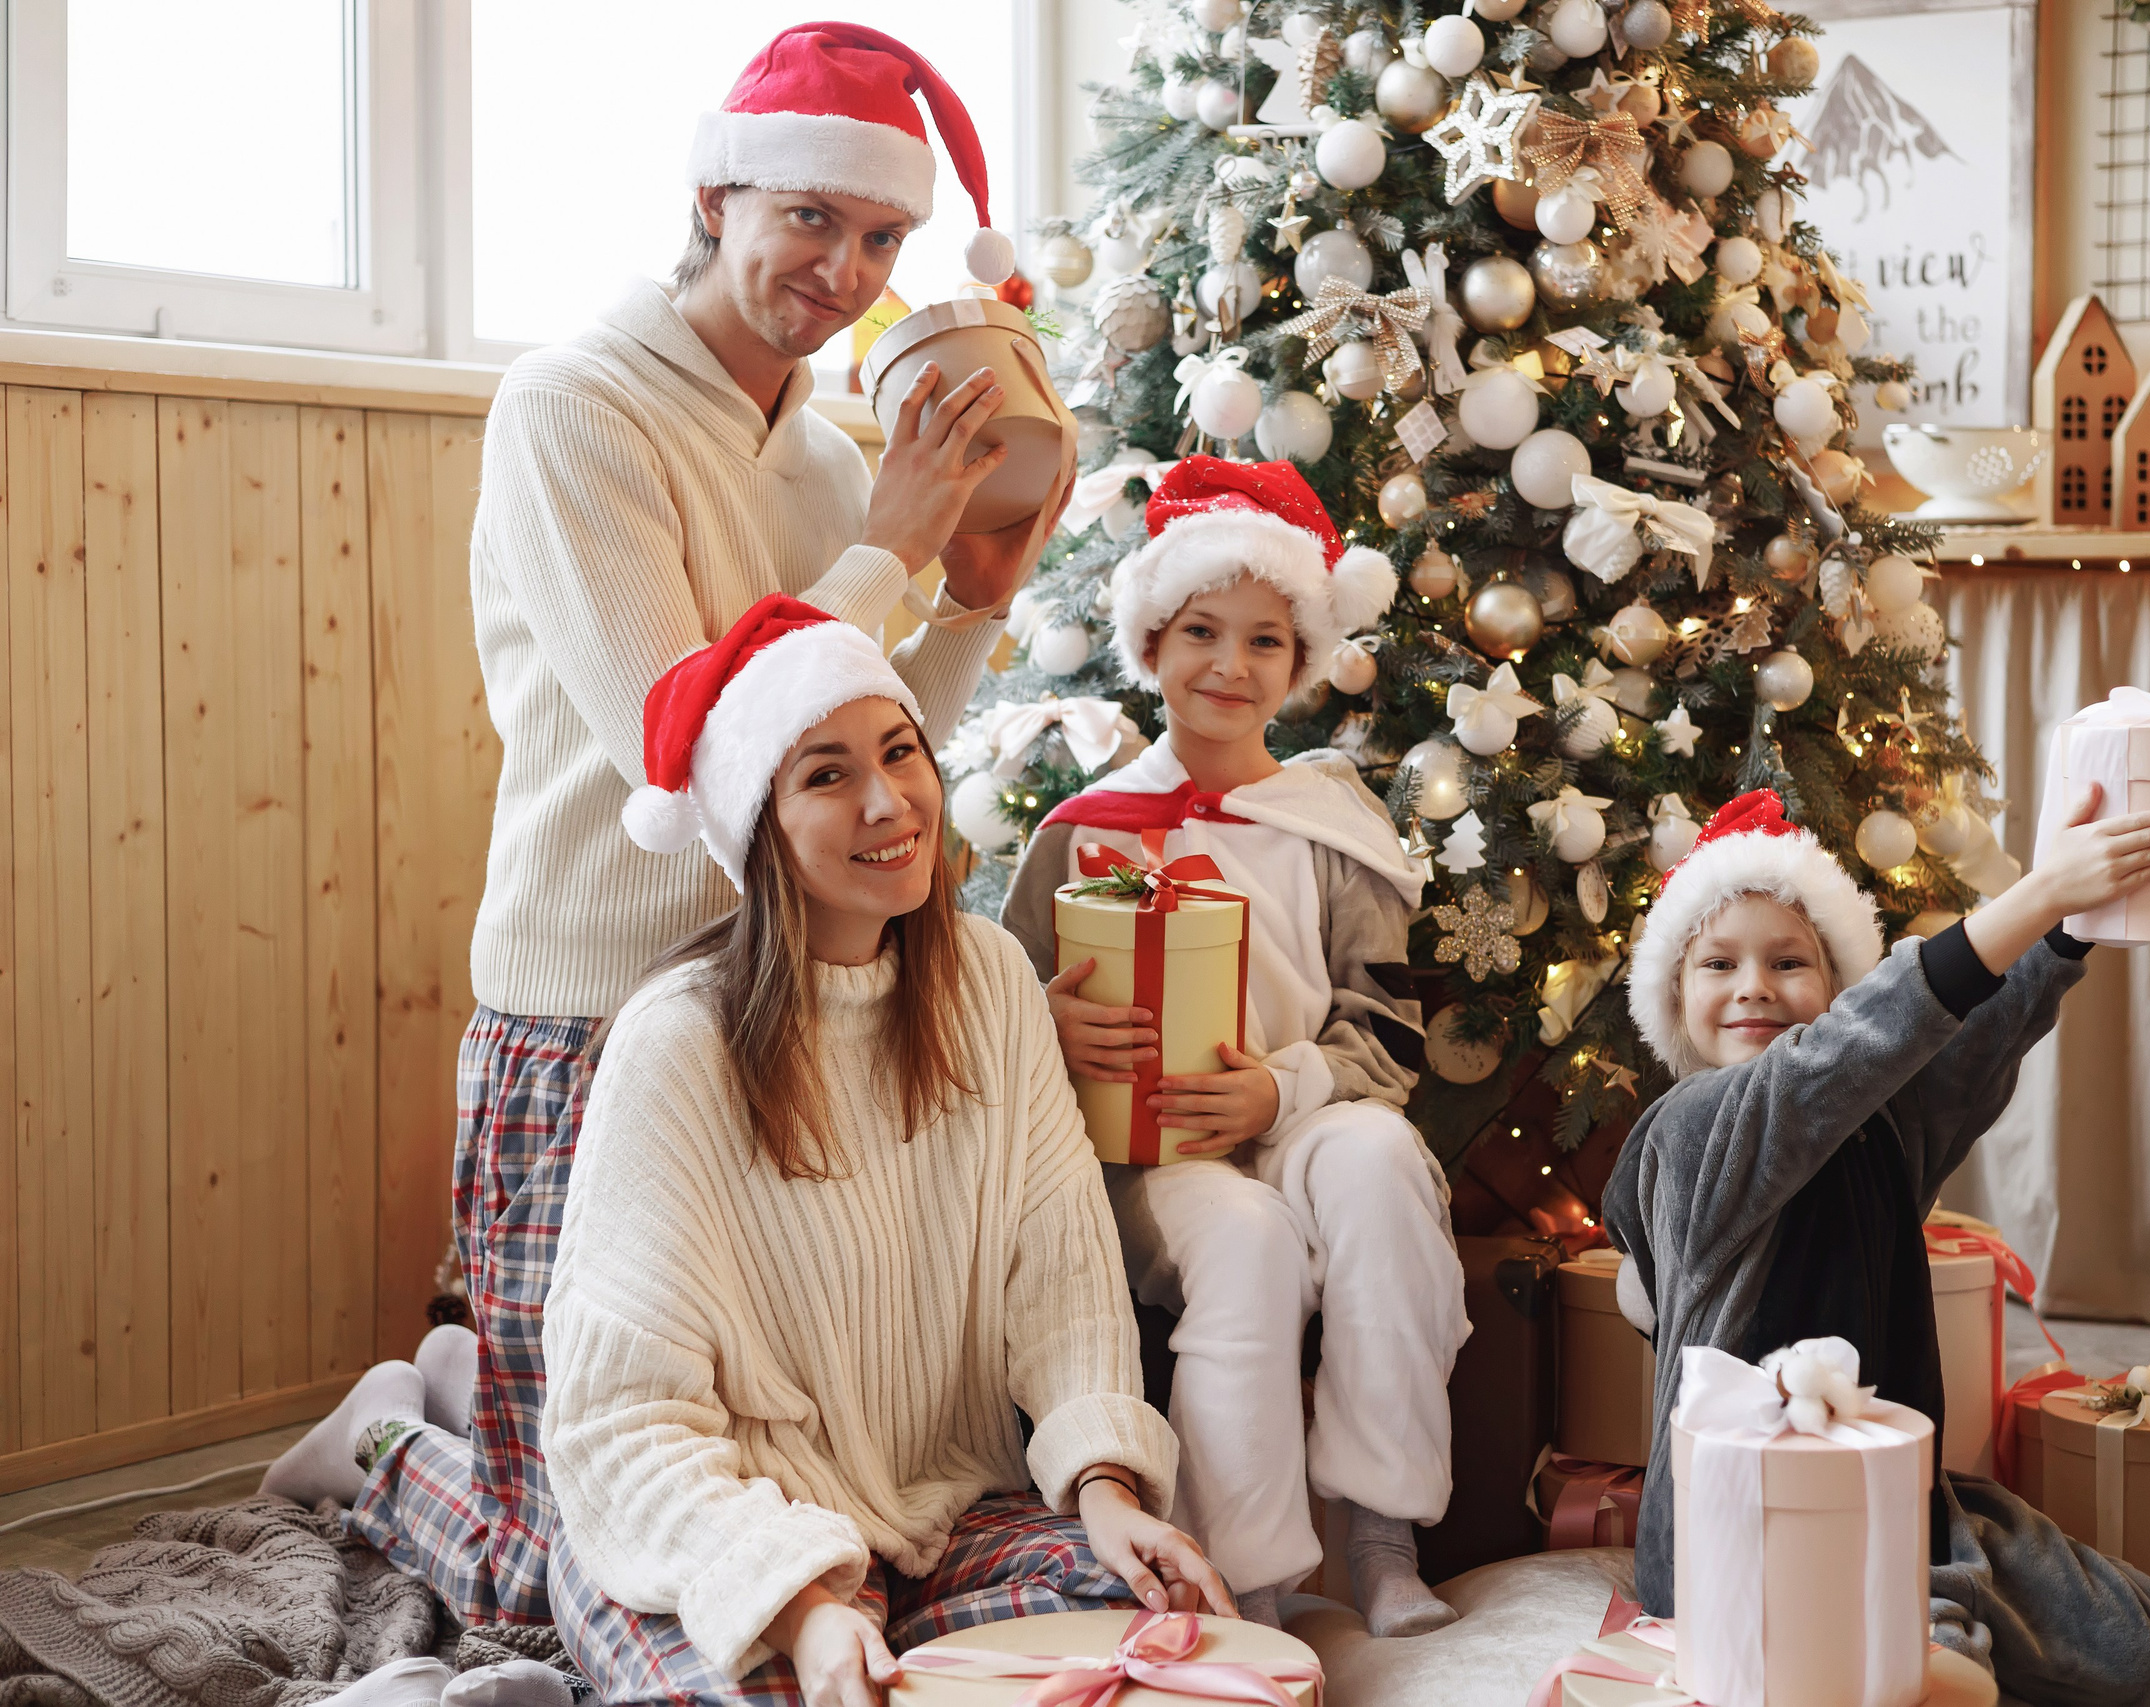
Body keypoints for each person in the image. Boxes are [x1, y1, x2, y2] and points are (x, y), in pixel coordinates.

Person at [267, 24, 1065, 1633]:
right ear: (714, 196)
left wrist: (965, 606)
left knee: (735, 1487)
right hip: (587, 1000)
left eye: (883, 239)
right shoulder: (574, 408)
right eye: (811, 221)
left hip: (764, 999)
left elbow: (847, 761)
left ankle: (472, 1378)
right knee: (542, 1572)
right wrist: (900, 543)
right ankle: (384, 1434)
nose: (843, 270)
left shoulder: (833, 461)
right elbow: (695, 745)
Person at [1604, 788, 2150, 1707]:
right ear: (1676, 1000)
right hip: (1745, 1531)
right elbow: (1825, 1065)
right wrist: (2035, 893)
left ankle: (1948, 1614)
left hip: (1899, 1494)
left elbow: (1965, 1045)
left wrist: (2065, 928)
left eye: (1788, 961)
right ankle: (1927, 1643)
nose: (1753, 984)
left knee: (2143, 1650)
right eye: (1718, 962)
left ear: (1834, 985)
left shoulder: (1881, 1123)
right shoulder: (1693, 1131)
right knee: (1908, 1622)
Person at [999, 458, 1471, 1637]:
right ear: (1150, 645)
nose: (1229, 664)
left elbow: (1382, 1025)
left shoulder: (1329, 829)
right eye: (1201, 631)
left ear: (1298, 666)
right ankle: (1250, 1572)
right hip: (1150, 1162)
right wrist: (1044, 1024)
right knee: (1248, 1240)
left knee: (1377, 1168)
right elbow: (990, 1014)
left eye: (1265, 642)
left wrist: (1278, 1089)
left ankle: (1381, 1530)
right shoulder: (1080, 834)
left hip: (1304, 1113)